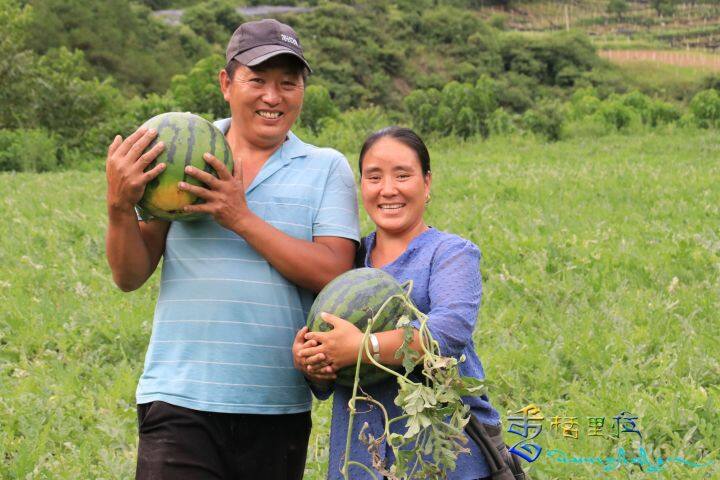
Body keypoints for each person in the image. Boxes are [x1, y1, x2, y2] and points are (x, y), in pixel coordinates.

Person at [105, 19, 359, 480]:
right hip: (180, 400)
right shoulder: (181, 152)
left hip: (276, 406)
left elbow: (335, 273)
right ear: (226, 83)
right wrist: (119, 207)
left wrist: (239, 217)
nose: (272, 96)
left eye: (288, 83)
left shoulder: (326, 168)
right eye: (257, 80)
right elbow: (129, 275)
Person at [293, 127, 502, 479]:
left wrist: (363, 346)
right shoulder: (347, 260)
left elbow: (447, 334)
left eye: (402, 175)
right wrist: (312, 361)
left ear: (427, 183)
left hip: (444, 461)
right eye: (374, 177)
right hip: (361, 457)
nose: (388, 189)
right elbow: (327, 376)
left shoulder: (450, 253)